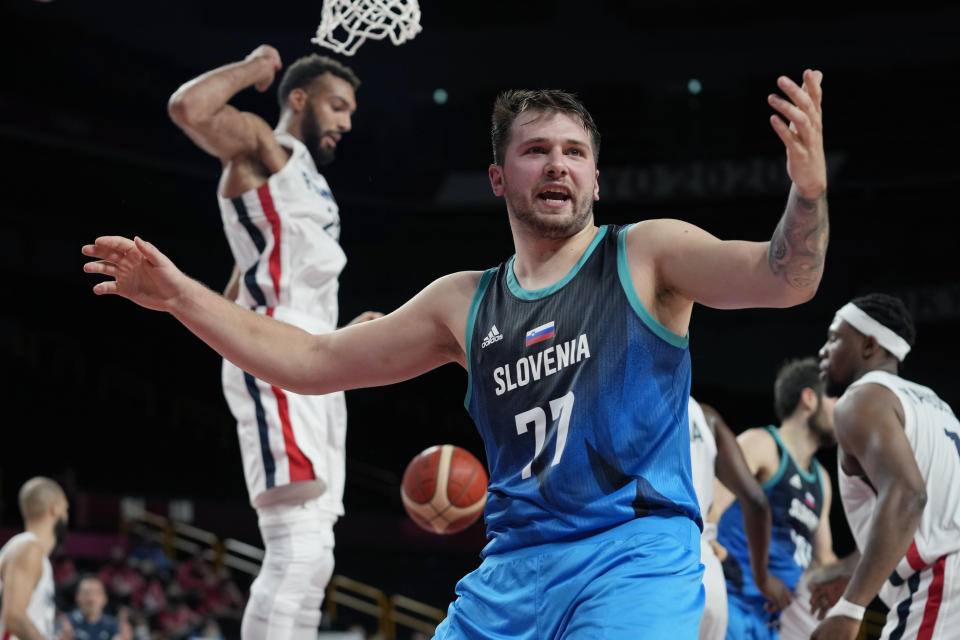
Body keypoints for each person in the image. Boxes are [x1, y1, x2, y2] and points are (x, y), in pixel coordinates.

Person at [84, 68, 828, 636]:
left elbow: (783, 278)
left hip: (632, 553)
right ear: (502, 178)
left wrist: (807, 196)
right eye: (537, 152)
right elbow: (309, 363)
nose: (559, 165)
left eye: (574, 153)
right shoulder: (462, 301)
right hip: (512, 568)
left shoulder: (648, 255)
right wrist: (182, 294)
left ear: (597, 177)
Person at [166, 45, 381, 640]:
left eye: (351, 112)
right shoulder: (267, 148)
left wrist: (339, 335)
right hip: (280, 353)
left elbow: (244, 280)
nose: (346, 122)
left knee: (317, 551)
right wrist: (254, 67)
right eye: (338, 107)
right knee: (297, 544)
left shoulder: (310, 182)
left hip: (317, 356)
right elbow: (188, 107)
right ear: (298, 98)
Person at [810, 294, 960, 640]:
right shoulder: (936, 405)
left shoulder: (862, 399)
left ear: (868, 345)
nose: (823, 350)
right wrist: (852, 572)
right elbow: (915, 522)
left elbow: (909, 496)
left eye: (833, 338)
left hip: (939, 583)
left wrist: (850, 608)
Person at [709, 357, 838, 639]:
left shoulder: (822, 481)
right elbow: (711, 506)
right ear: (809, 398)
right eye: (833, 396)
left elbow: (823, 560)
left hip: (769, 621)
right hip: (731, 603)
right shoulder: (762, 445)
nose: (841, 406)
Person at [688, 398, 792, 640]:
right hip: (707, 573)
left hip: (650, 558)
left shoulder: (626, 398)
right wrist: (762, 577)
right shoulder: (706, 415)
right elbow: (756, 500)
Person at [0, 477, 70, 640]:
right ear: (54, 509)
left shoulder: (34, 552)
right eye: (66, 510)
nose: (66, 517)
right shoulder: (28, 548)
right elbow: (14, 618)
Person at [69, 575, 121, 640]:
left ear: (105, 598)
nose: (91, 599)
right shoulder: (67, 623)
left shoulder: (112, 625)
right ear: (77, 597)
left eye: (96, 593)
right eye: (86, 593)